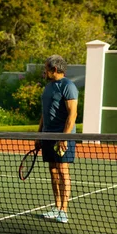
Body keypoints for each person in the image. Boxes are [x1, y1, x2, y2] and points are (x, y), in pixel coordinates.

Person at [37, 55, 79, 223]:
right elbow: (44, 113)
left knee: (63, 171)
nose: (44, 71)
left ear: (54, 69)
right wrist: (39, 134)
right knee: (53, 171)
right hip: (47, 135)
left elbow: (72, 114)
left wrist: (64, 138)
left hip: (62, 137)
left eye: (46, 68)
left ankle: (64, 210)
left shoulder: (68, 86)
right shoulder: (48, 87)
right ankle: (56, 206)